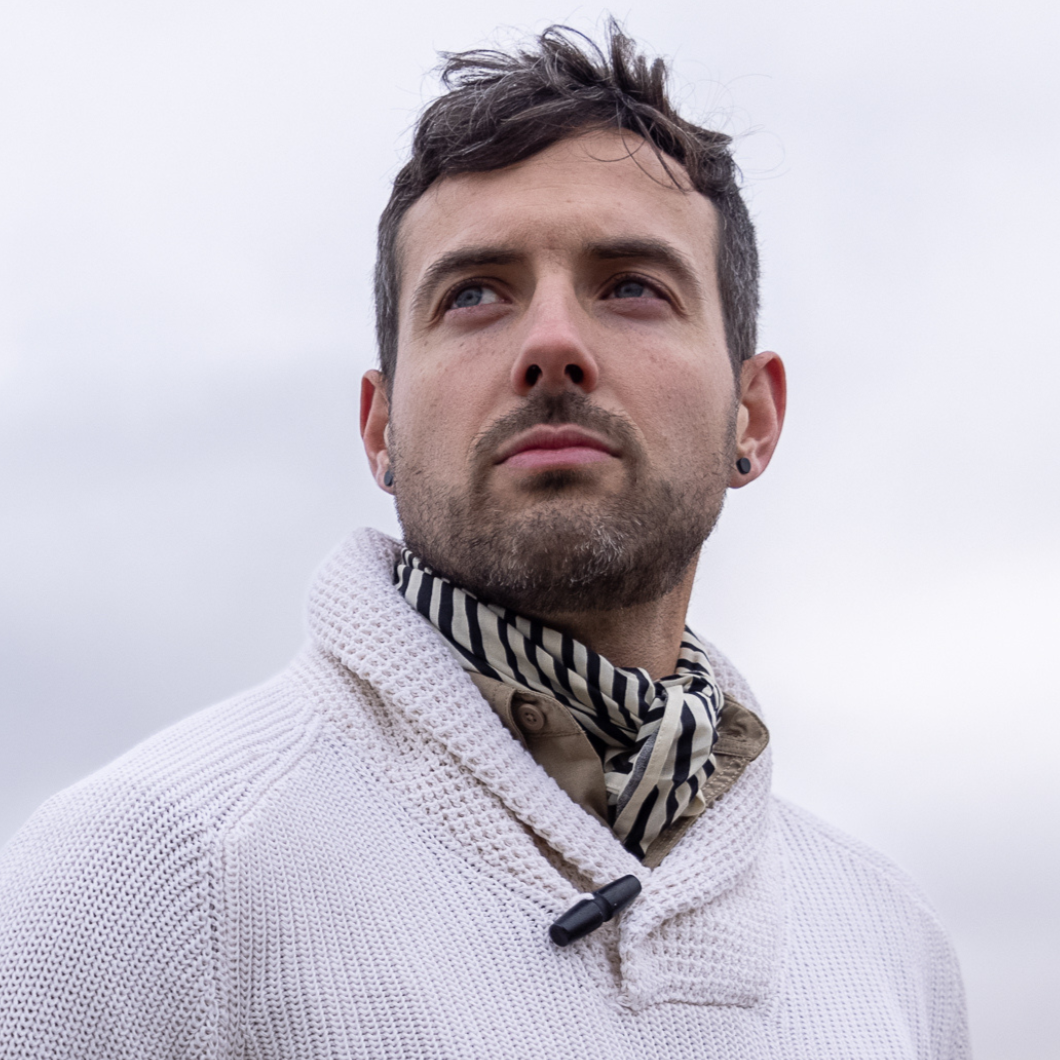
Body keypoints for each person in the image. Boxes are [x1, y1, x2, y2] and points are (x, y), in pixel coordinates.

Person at [0, 22, 969, 1059]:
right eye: (474, 295)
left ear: (753, 413)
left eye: (631, 285)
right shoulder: (144, 880)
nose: (552, 344)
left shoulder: (891, 945)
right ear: (380, 427)